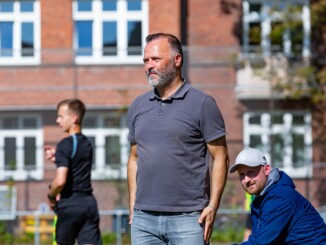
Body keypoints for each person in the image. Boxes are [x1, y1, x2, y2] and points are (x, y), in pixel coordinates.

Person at [127, 32, 229, 245]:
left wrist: (212, 206)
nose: (149, 66)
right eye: (145, 61)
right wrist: (133, 205)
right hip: (144, 220)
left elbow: (221, 157)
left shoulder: (202, 104)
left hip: (189, 219)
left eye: (155, 59)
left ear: (177, 59)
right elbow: (134, 158)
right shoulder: (137, 106)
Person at [230, 147, 326, 244]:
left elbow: (260, 243)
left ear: (266, 169)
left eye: (250, 172)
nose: (246, 180)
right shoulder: (262, 199)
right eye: (242, 174)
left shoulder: (280, 198)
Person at [45, 98, 102, 245]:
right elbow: (76, 165)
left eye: (61, 117)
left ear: (74, 118)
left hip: (70, 204)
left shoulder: (65, 144)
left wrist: (51, 196)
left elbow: (60, 181)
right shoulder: (87, 143)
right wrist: (57, 158)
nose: (58, 120)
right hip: (89, 204)